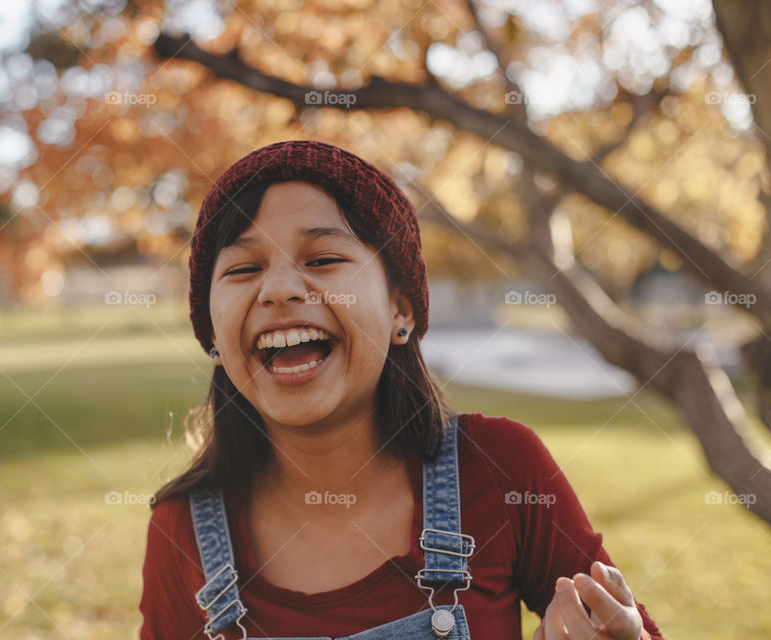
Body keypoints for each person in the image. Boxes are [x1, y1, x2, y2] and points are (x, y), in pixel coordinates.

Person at [139, 140, 664, 640]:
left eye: (322, 259)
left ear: (401, 309)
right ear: (211, 332)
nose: (278, 290)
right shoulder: (180, 530)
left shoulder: (502, 469)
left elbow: (623, 625)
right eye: (243, 268)